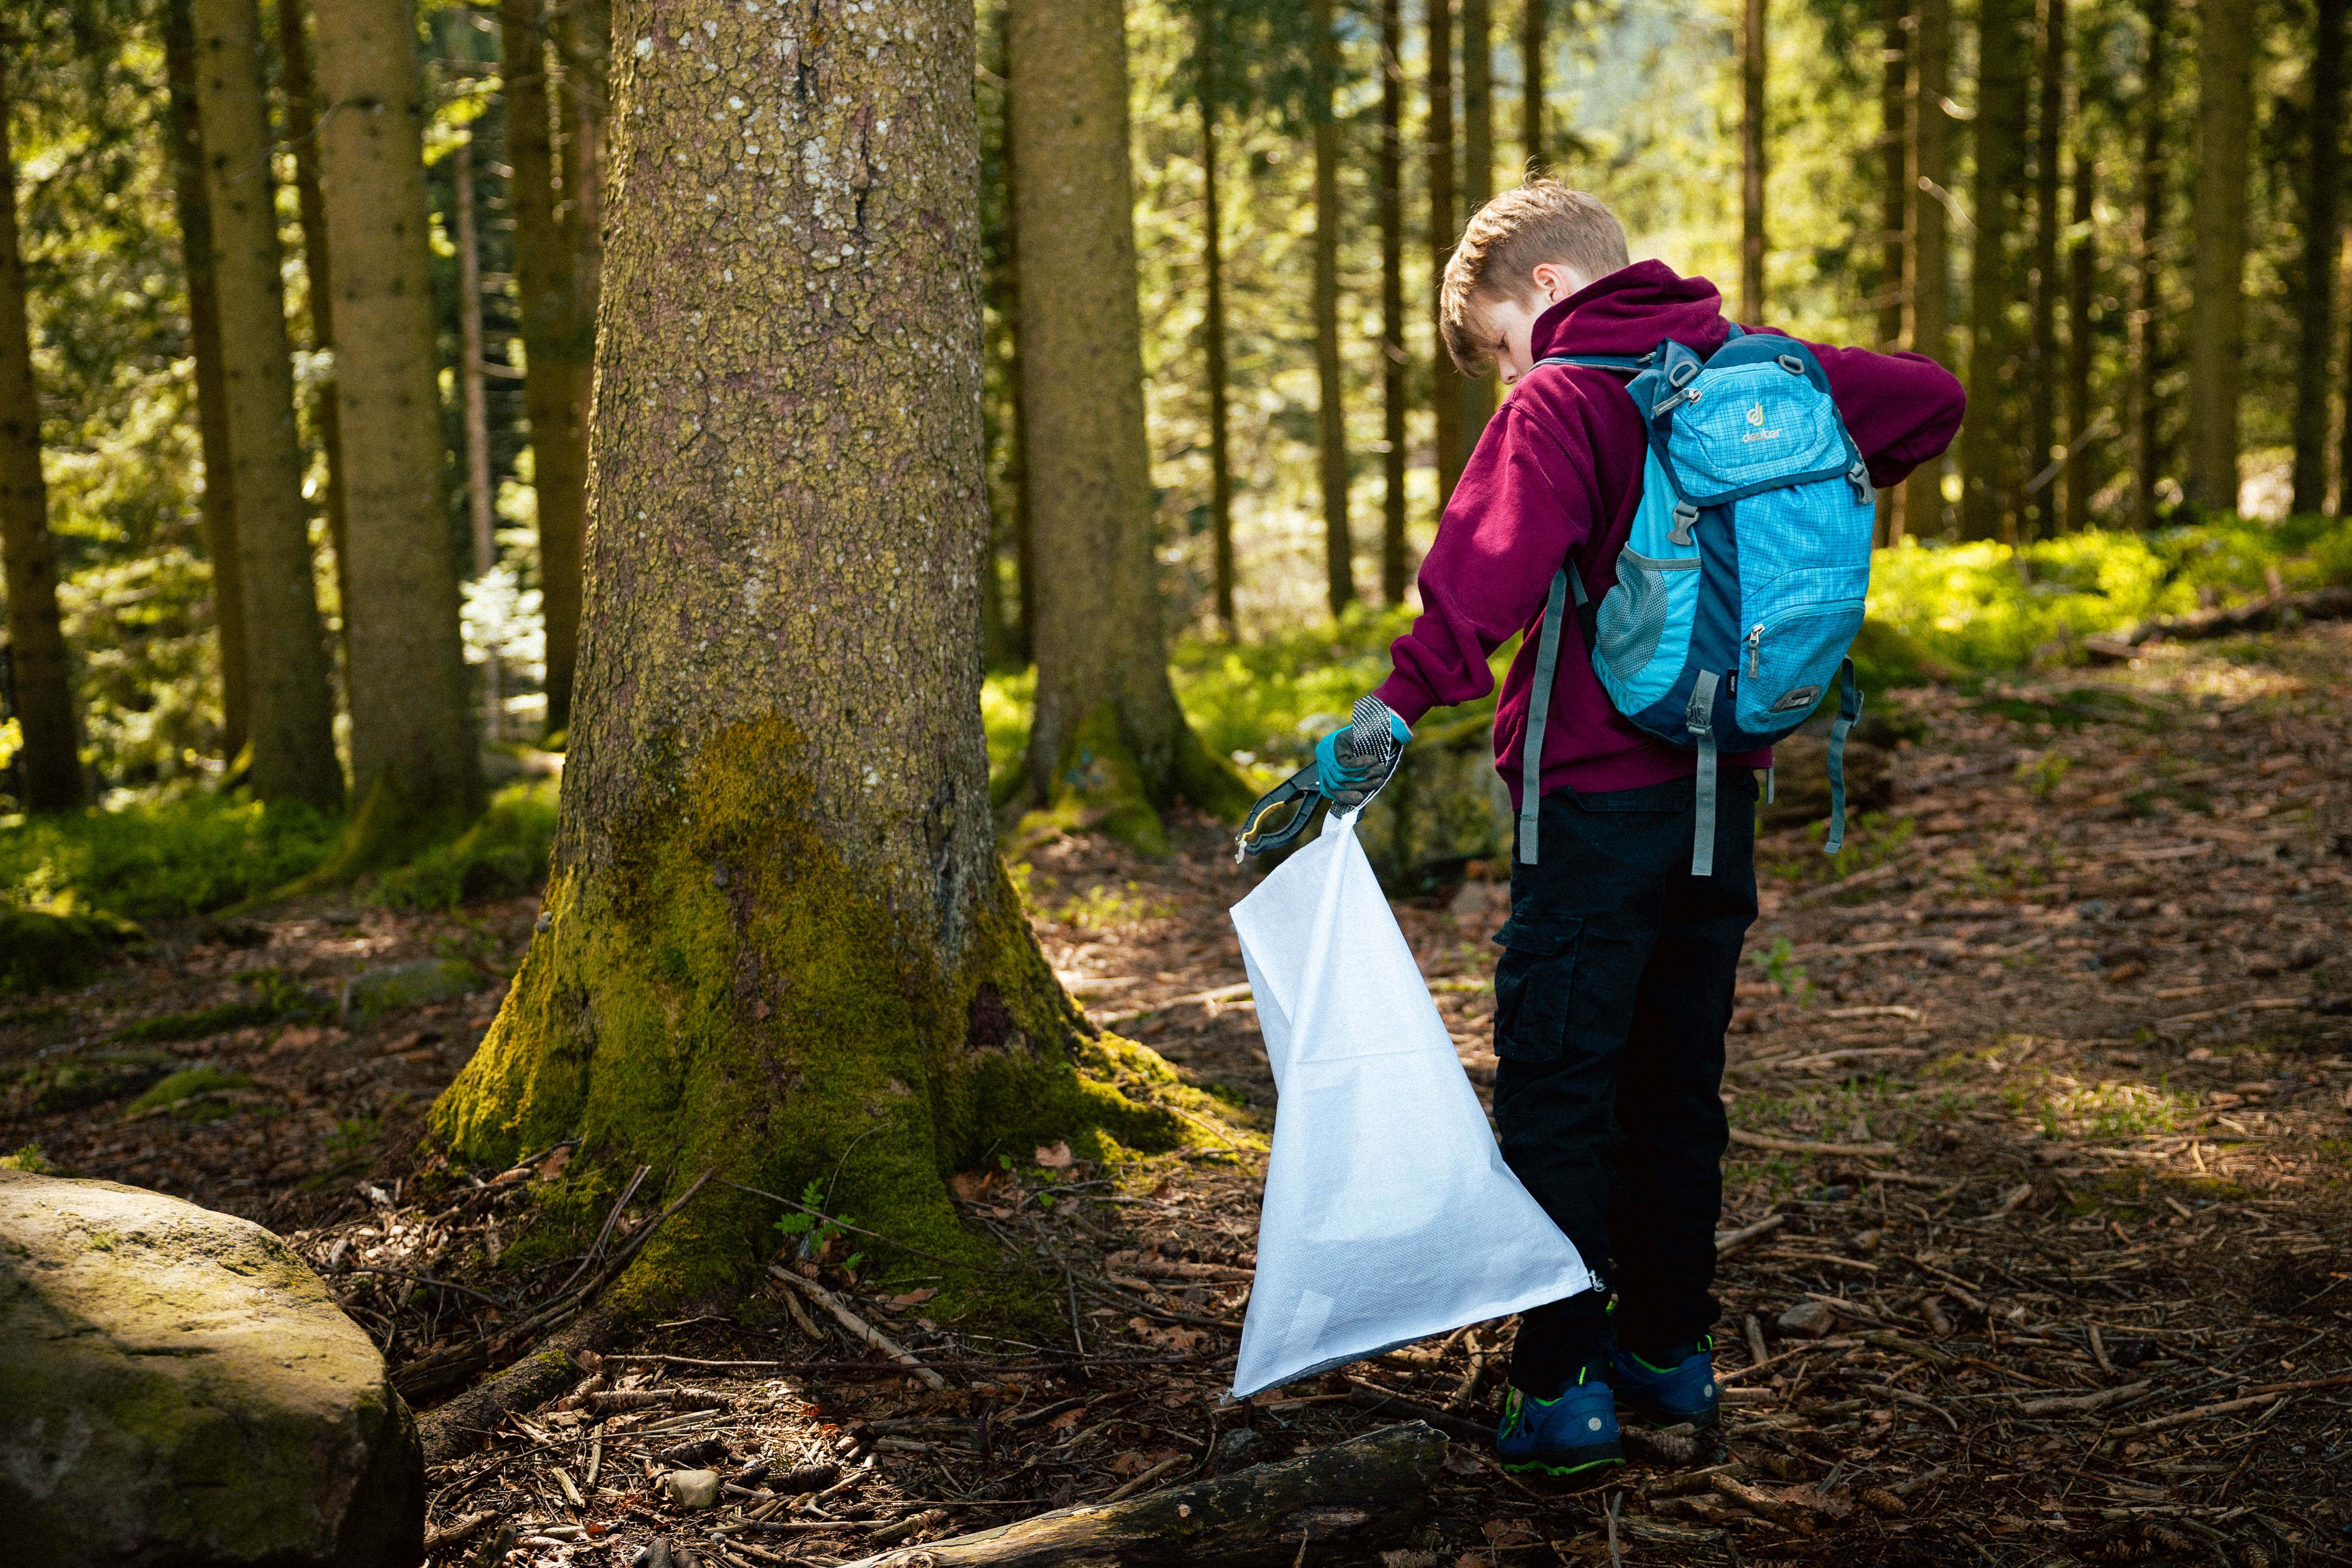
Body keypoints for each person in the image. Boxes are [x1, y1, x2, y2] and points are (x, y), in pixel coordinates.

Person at [1315, 180, 1963, 1477]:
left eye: (1499, 342)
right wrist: (1811, 469)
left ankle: (1558, 1391)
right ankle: (1669, 1356)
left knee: (1560, 1085)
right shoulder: (1758, 370)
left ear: (1545, 291)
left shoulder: (1561, 400)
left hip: (1592, 805)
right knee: (1673, 1084)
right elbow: (1930, 398)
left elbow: (1480, 580)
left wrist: (1388, 710)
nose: (1508, 374)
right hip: (1724, 790)